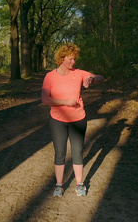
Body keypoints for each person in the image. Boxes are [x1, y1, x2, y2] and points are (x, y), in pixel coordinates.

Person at [41, 43, 104, 197]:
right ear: (61, 58)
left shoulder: (78, 73)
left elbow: (100, 78)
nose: (73, 62)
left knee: (77, 153)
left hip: (78, 119)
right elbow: (44, 99)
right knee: (60, 153)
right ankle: (58, 185)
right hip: (57, 120)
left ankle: (80, 184)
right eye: (70, 59)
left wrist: (91, 78)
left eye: (75, 59)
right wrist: (65, 102)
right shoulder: (50, 76)